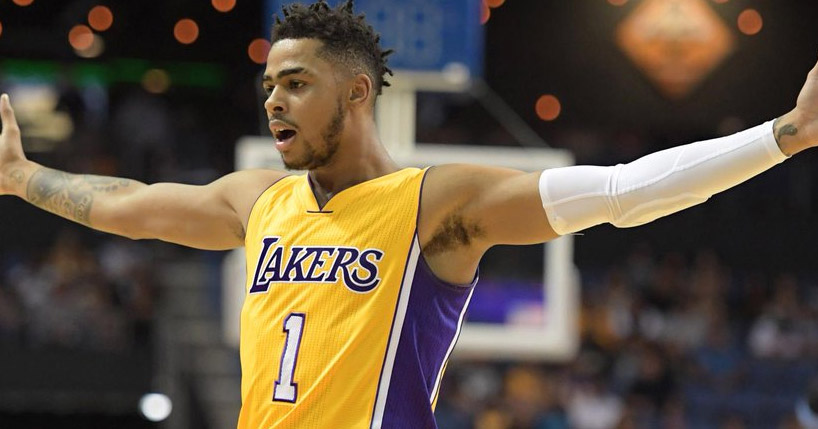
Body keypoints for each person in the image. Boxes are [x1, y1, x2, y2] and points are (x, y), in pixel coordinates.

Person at [0, 1, 816, 428]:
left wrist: (782, 135)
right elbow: (134, 206)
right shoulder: (260, 200)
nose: (273, 100)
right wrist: (24, 176)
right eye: (269, 85)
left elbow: (621, 192)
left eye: (296, 84)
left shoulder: (436, 204)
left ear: (357, 93)